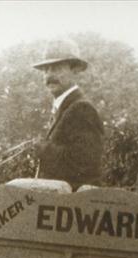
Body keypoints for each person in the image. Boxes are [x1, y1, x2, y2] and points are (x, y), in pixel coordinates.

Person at [32, 40, 103, 190]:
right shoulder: (64, 107)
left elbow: (85, 165)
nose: (49, 75)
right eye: (46, 70)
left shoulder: (81, 109)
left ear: (75, 70)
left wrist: (42, 149)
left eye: (57, 68)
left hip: (72, 203)